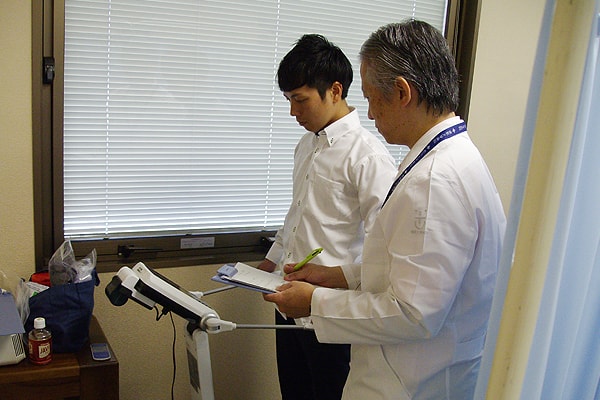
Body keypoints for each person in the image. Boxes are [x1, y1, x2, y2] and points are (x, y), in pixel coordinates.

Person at [264, 20, 507, 400]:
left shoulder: (434, 181)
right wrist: (338, 276)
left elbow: (413, 312)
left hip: (409, 380)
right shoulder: (445, 160)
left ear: (402, 92)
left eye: (372, 97)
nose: (371, 113)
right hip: (415, 368)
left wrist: (315, 301)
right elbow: (406, 268)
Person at [258, 34, 398, 400]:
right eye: (288, 100)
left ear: (335, 91)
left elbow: (385, 247)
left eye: (300, 99)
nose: (293, 112)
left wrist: (337, 284)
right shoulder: (306, 145)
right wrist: (269, 263)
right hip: (289, 303)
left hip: (333, 313)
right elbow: (297, 215)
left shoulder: (368, 157)